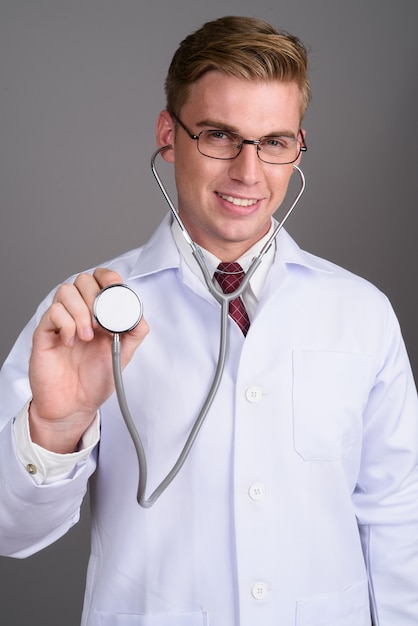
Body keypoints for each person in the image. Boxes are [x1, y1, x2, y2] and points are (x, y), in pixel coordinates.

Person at [0, 14, 417, 626]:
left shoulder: (360, 312)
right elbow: (10, 531)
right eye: (220, 136)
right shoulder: (83, 317)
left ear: (297, 146)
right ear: (169, 136)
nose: (249, 173)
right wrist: (57, 424)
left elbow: (397, 514)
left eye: (274, 142)